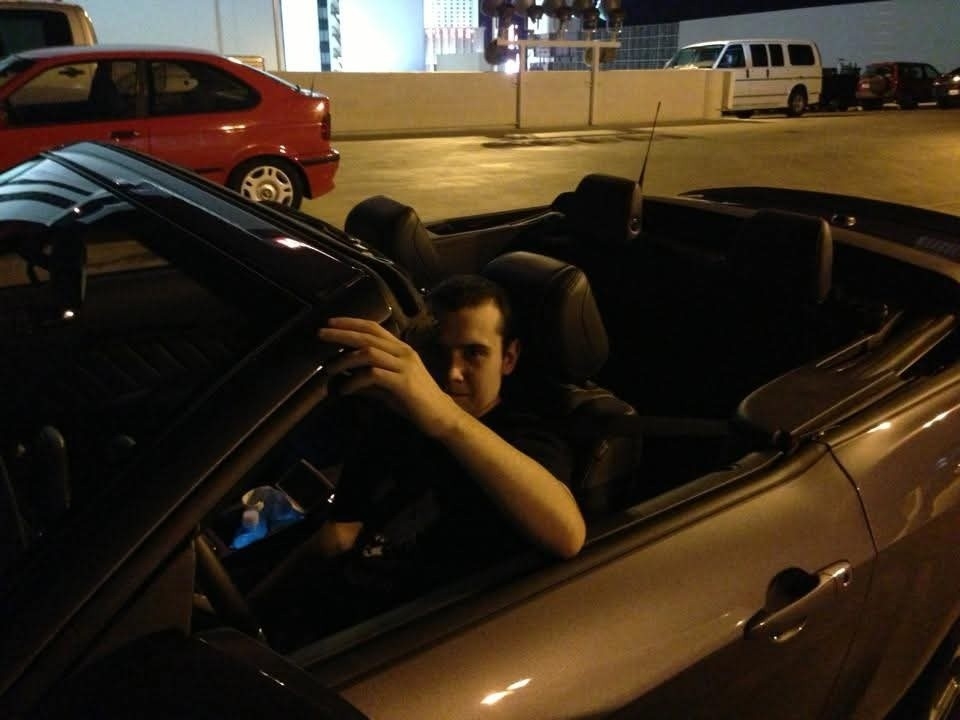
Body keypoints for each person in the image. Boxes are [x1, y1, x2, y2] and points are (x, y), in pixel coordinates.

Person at [251, 275, 584, 638]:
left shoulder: (527, 438)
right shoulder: (398, 421)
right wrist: (251, 609)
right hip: (334, 614)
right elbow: (338, 535)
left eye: (474, 353)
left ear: (509, 357)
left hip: (412, 638)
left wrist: (446, 418)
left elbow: (567, 534)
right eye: (440, 353)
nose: (452, 373)